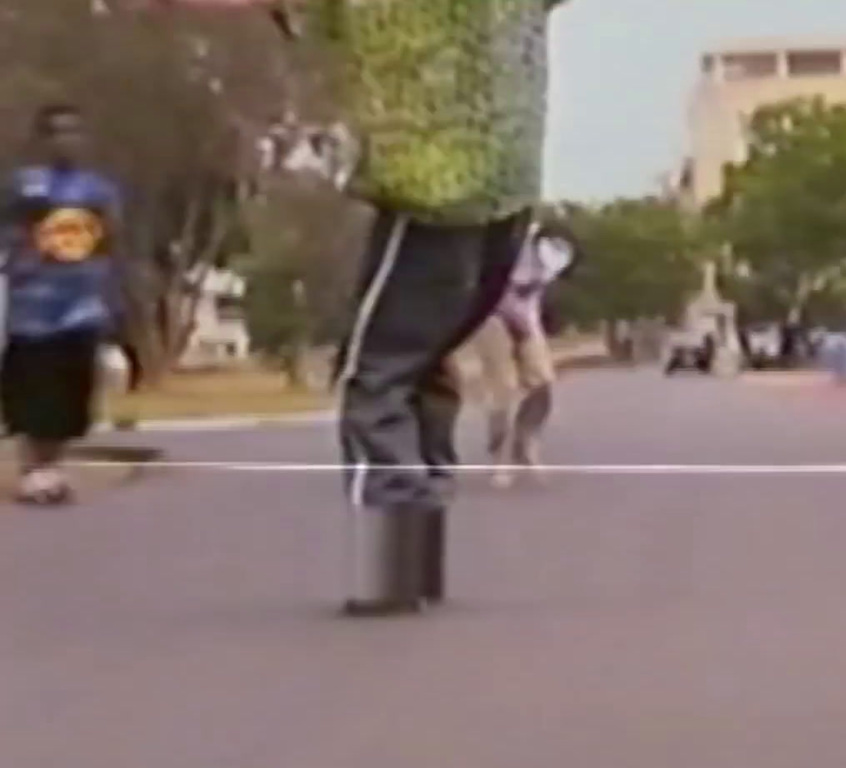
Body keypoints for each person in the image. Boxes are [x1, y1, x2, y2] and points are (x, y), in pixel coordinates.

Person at [181, 0, 573, 616]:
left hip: (430, 191)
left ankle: (386, 566)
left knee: (379, 370)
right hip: (507, 193)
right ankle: (419, 545)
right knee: (424, 361)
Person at [0, 103, 123, 505]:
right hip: (32, 308)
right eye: (57, 132)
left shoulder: (97, 191)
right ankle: (32, 470)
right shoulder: (22, 186)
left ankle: (52, 468)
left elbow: (110, 243)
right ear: (42, 139)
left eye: (74, 132)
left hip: (81, 306)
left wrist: (112, 296)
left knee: (72, 392)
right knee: (35, 389)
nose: (67, 140)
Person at [463, 220, 578, 488]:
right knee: (504, 387)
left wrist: (529, 331)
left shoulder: (552, 258)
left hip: (524, 318)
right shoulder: (509, 250)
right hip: (489, 315)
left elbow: (530, 300)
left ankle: (526, 439)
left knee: (543, 380)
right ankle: (500, 460)